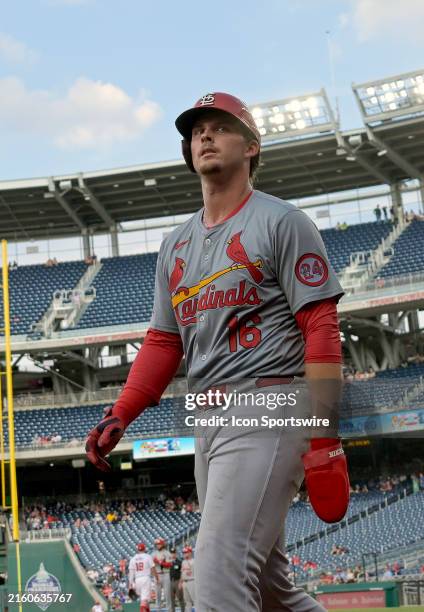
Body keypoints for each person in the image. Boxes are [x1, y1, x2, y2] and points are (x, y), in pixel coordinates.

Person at [86, 91, 349, 611]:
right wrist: (122, 411)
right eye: (196, 130)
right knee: (270, 589)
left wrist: (323, 430)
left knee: (217, 575)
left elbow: (320, 325)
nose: (204, 135)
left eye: (220, 126)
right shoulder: (175, 244)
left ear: (251, 147)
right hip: (208, 414)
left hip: (270, 405)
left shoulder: (282, 221)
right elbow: (165, 341)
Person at [128, 542, 157, 612]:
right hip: (145, 578)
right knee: (144, 600)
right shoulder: (147, 556)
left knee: (144, 599)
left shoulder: (133, 558)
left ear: (137, 549)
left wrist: (130, 584)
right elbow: (153, 568)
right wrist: (156, 578)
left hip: (137, 580)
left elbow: (131, 573)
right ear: (145, 549)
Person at [152, 537, 172, 610]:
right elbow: (152, 566)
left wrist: (160, 562)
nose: (158, 545)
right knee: (158, 595)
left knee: (167, 595)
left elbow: (169, 564)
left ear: (163, 544)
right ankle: (158, 610)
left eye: (159, 544)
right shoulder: (154, 554)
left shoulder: (167, 553)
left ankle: (169, 610)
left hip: (166, 574)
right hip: (157, 574)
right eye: (157, 544)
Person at [169, 547, 185, 612]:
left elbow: (182, 572)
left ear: (176, 553)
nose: (173, 554)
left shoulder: (179, 562)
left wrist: (181, 582)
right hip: (171, 581)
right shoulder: (168, 562)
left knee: (180, 598)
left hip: (177, 581)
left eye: (174, 553)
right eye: (171, 553)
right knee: (171, 599)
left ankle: (183, 610)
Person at [179, 546, 195, 611]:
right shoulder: (183, 562)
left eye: (186, 552)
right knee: (187, 602)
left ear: (190, 552)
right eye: (184, 553)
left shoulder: (194, 561)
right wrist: (180, 582)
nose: (184, 554)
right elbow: (182, 573)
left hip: (192, 581)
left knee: (195, 601)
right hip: (185, 582)